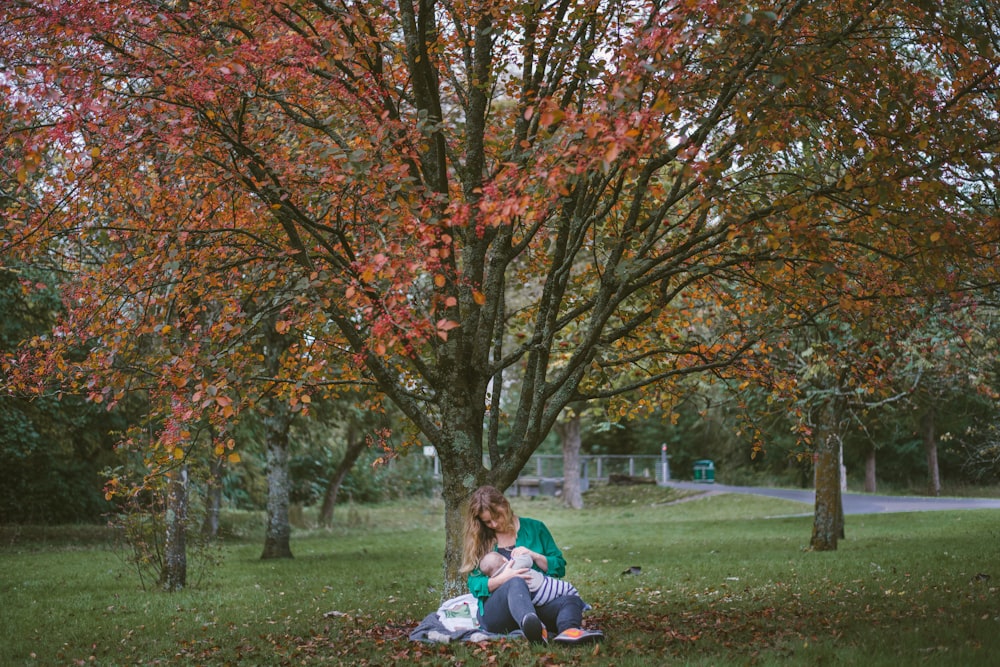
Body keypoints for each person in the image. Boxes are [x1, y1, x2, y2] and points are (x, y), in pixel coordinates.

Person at [461, 485, 603, 645]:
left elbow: (559, 567)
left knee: (570, 599)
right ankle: (532, 626)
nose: (493, 524)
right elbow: (474, 584)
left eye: (497, 516)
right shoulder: (482, 539)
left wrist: (534, 555)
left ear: (505, 505)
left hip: (538, 607)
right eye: (487, 521)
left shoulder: (536, 528)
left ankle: (568, 632)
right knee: (515, 581)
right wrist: (504, 578)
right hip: (498, 613)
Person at [478, 551, 581, 606]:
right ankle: (580, 604)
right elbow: (528, 560)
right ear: (504, 559)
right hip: (543, 586)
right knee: (567, 588)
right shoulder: (513, 563)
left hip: (534, 599)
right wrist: (521, 555)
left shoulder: (496, 580)